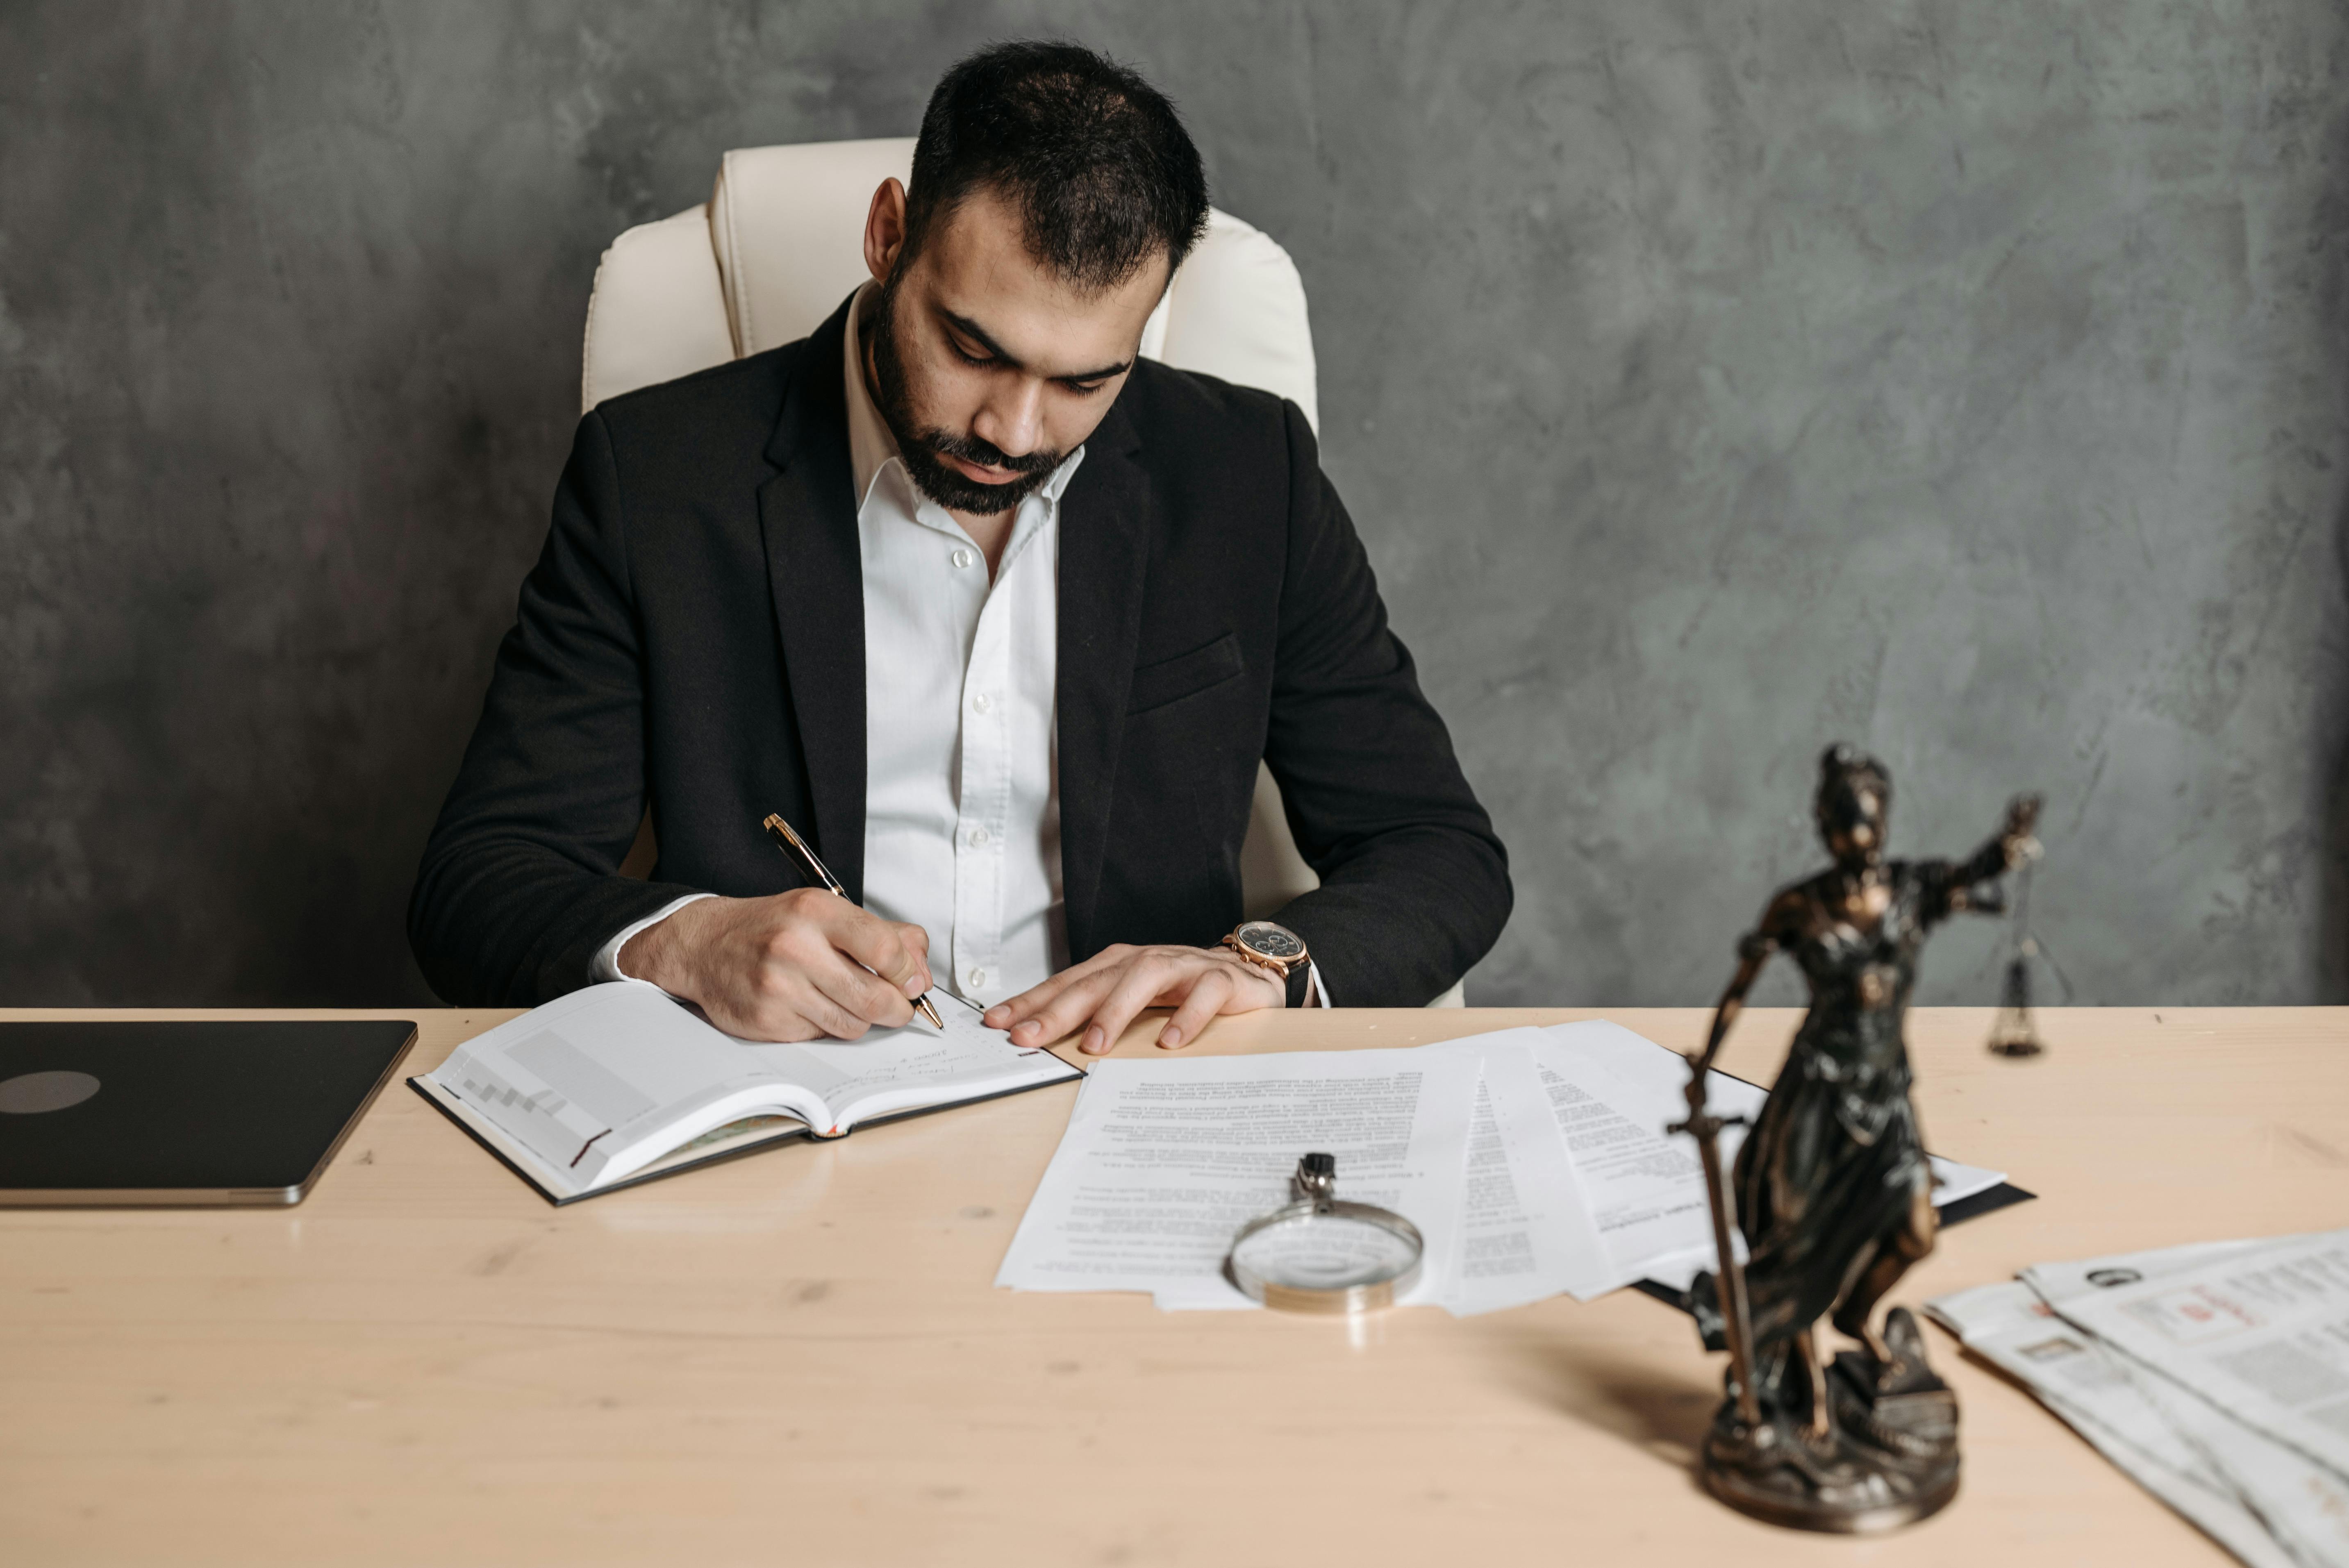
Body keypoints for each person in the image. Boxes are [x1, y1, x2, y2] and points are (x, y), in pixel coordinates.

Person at [408, 41, 1509, 1053]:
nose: (1014, 433)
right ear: (889, 233)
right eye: (972, 348)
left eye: (1085, 380)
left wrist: (1256, 964)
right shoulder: (652, 476)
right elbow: (477, 884)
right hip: (791, 1112)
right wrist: (687, 942)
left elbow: (1436, 848)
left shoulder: (1244, 472)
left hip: (1131, 1090)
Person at [1689, 745, 2037, 1438]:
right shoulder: (1799, 905)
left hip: (1886, 1097)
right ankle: (1805, 1381)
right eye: (1842, 827)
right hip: (1816, 1098)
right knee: (1798, 1240)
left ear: (1885, 822)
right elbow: (1740, 987)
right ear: (1821, 825)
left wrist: (2008, 842)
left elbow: (1974, 871)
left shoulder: (1913, 890)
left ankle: (1855, 1318)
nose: (1856, 840)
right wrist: (1705, 1065)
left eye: (1869, 825)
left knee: (1915, 1231)